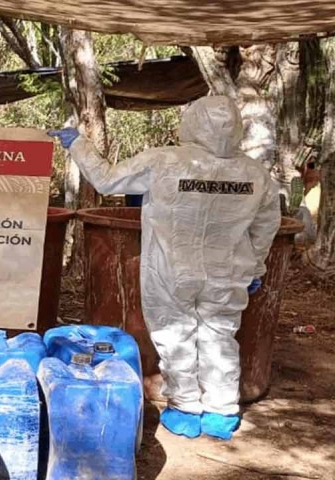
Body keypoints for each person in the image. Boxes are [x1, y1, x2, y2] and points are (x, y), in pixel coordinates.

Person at [48, 96, 280, 440]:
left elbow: (107, 180)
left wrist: (78, 144)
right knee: (220, 336)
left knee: (175, 335)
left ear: (192, 122)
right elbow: (266, 226)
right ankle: (221, 411)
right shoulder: (255, 173)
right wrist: (255, 269)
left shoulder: (163, 161)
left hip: (171, 269)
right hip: (227, 272)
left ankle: (185, 408)